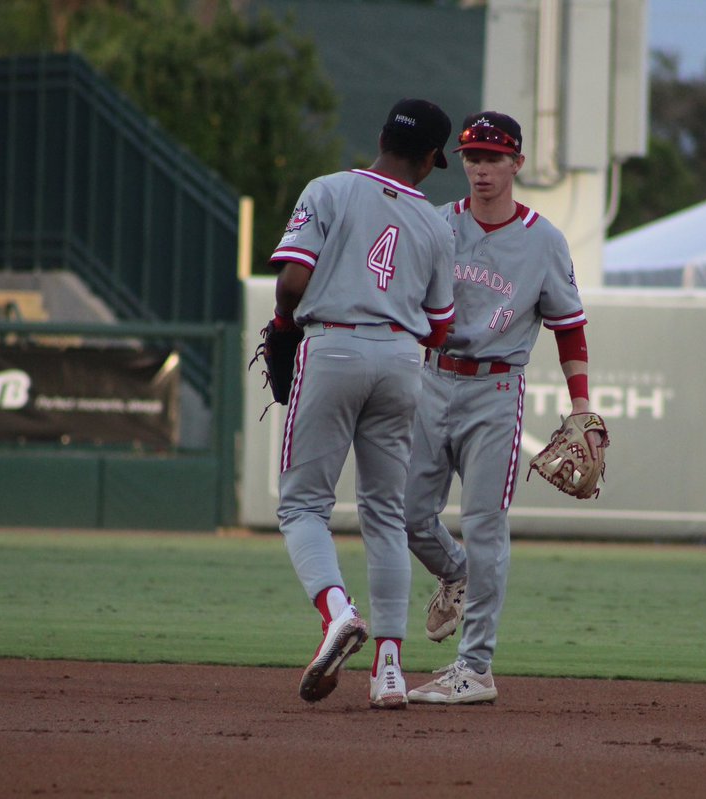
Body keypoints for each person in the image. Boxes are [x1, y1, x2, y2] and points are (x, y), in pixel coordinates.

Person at [403, 111, 604, 705]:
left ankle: (476, 667)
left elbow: (569, 328)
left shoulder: (544, 240)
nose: (481, 168)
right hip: (432, 381)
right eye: (471, 157)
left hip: (495, 390)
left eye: (493, 157)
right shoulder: (437, 225)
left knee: (486, 525)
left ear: (517, 163)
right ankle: (454, 572)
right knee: (409, 514)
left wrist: (583, 407)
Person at [268, 98, 456, 709]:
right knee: (385, 517)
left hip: (334, 347)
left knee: (302, 507)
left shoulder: (327, 190)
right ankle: (391, 672)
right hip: (402, 360)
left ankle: (337, 614)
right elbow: (439, 327)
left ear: (380, 136)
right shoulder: (435, 223)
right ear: (432, 160)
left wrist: (283, 323)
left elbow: (293, 280)